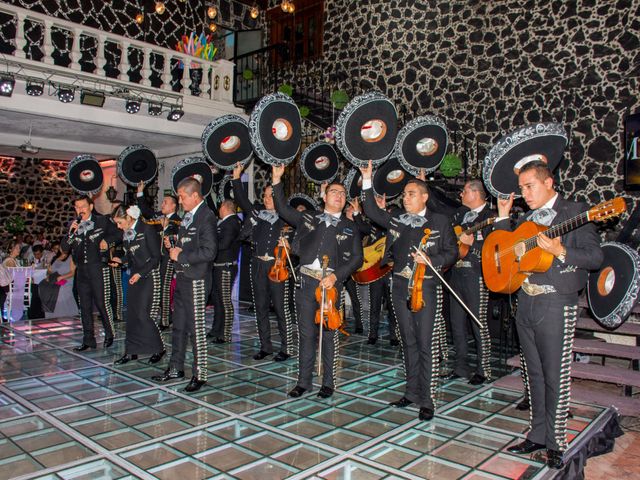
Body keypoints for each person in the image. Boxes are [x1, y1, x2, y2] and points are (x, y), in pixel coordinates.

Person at [497, 161, 603, 469]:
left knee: (556, 376)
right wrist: (504, 219)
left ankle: (557, 443)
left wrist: (561, 251)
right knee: (534, 374)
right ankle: (538, 434)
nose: (524, 194)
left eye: (529, 187)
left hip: (556, 303)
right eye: (522, 189)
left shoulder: (575, 212)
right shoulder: (527, 218)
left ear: (549, 183)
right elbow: (506, 250)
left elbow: (595, 257)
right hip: (526, 302)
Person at [360, 160, 458, 421]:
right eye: (404, 195)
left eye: (411, 194)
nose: (405, 199)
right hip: (400, 286)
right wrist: (368, 180)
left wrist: (432, 261)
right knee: (408, 342)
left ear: (424, 197)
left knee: (426, 344)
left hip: (425, 288)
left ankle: (428, 399)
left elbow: (452, 252)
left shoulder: (440, 221)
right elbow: (370, 210)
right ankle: (411, 392)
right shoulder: (397, 220)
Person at [272, 164, 363, 399]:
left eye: (343, 194)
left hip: (330, 286)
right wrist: (276, 179)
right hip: (305, 283)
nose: (340, 196)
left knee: (329, 335)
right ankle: (303, 382)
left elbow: (357, 259)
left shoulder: (350, 227)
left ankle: (328, 383)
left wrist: (336, 276)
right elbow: (281, 207)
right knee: (306, 334)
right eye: (334, 192)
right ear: (324, 196)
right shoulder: (308, 218)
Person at [152, 177, 217, 393]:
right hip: (182, 278)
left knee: (196, 329)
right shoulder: (189, 217)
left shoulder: (206, 216)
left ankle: (201, 374)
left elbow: (209, 252)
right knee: (178, 326)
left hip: (197, 279)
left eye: (182, 196)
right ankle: (175, 367)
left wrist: (182, 255)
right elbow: (187, 244)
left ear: (195, 195)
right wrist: (175, 246)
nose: (180, 201)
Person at [232, 162, 295, 362]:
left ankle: (286, 348)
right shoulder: (257, 215)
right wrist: (236, 178)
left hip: (277, 268)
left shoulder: (287, 219)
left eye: (271, 195)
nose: (267, 199)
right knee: (260, 307)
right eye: (266, 196)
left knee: (280, 308)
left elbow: (297, 244)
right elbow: (242, 199)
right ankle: (265, 346)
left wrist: (289, 245)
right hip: (258, 265)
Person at [447, 179, 495, 385]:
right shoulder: (460, 214)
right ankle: (460, 366)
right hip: (456, 275)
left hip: (477, 276)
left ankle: (484, 370)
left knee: (478, 324)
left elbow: (496, 250)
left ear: (476, 193)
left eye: (464, 191)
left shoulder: (491, 217)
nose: (461, 195)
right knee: (457, 324)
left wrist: (474, 244)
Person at [61, 196, 121, 351]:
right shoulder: (73, 225)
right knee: (85, 306)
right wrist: (70, 233)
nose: (80, 209)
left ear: (91, 206)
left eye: (83, 206)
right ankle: (88, 340)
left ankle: (109, 334)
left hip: (98, 267)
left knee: (102, 302)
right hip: (81, 270)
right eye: (77, 206)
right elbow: (64, 249)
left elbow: (118, 235)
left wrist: (107, 242)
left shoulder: (102, 221)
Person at [110, 205, 165, 365]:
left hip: (149, 276)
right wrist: (121, 261)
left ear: (128, 218)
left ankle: (158, 348)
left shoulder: (147, 229)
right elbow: (130, 257)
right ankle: (131, 351)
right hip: (135, 277)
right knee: (132, 315)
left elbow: (156, 258)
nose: (119, 227)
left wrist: (140, 273)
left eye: (120, 222)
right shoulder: (127, 234)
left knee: (144, 314)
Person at [350, 196, 400, 346]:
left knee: (392, 306)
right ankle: (373, 334)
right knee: (374, 304)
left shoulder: (395, 227)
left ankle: (394, 336)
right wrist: (357, 212)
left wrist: (382, 209)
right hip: (376, 273)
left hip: (390, 271)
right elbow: (361, 227)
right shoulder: (374, 227)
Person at [136, 182, 181, 330]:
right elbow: (146, 211)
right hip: (157, 258)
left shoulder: (177, 221)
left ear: (174, 206)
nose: (162, 204)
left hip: (168, 259)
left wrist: (166, 226)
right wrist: (140, 193)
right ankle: (163, 316)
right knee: (158, 288)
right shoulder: (159, 217)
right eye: (162, 202)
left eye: (165, 202)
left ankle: (166, 320)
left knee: (165, 288)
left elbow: (175, 236)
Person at [207, 199, 242, 343]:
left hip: (226, 266)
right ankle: (216, 329)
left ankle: (225, 333)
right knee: (217, 299)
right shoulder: (224, 222)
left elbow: (224, 244)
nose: (218, 210)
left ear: (225, 207)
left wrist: (208, 246)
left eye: (220, 206)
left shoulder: (232, 222)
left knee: (225, 301)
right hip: (218, 266)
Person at [44, 250, 78, 318]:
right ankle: (51, 317)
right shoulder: (56, 257)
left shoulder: (71, 257)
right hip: (55, 280)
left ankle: (63, 315)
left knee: (60, 290)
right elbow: (50, 271)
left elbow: (72, 272)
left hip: (66, 280)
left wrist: (61, 277)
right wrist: (49, 274)